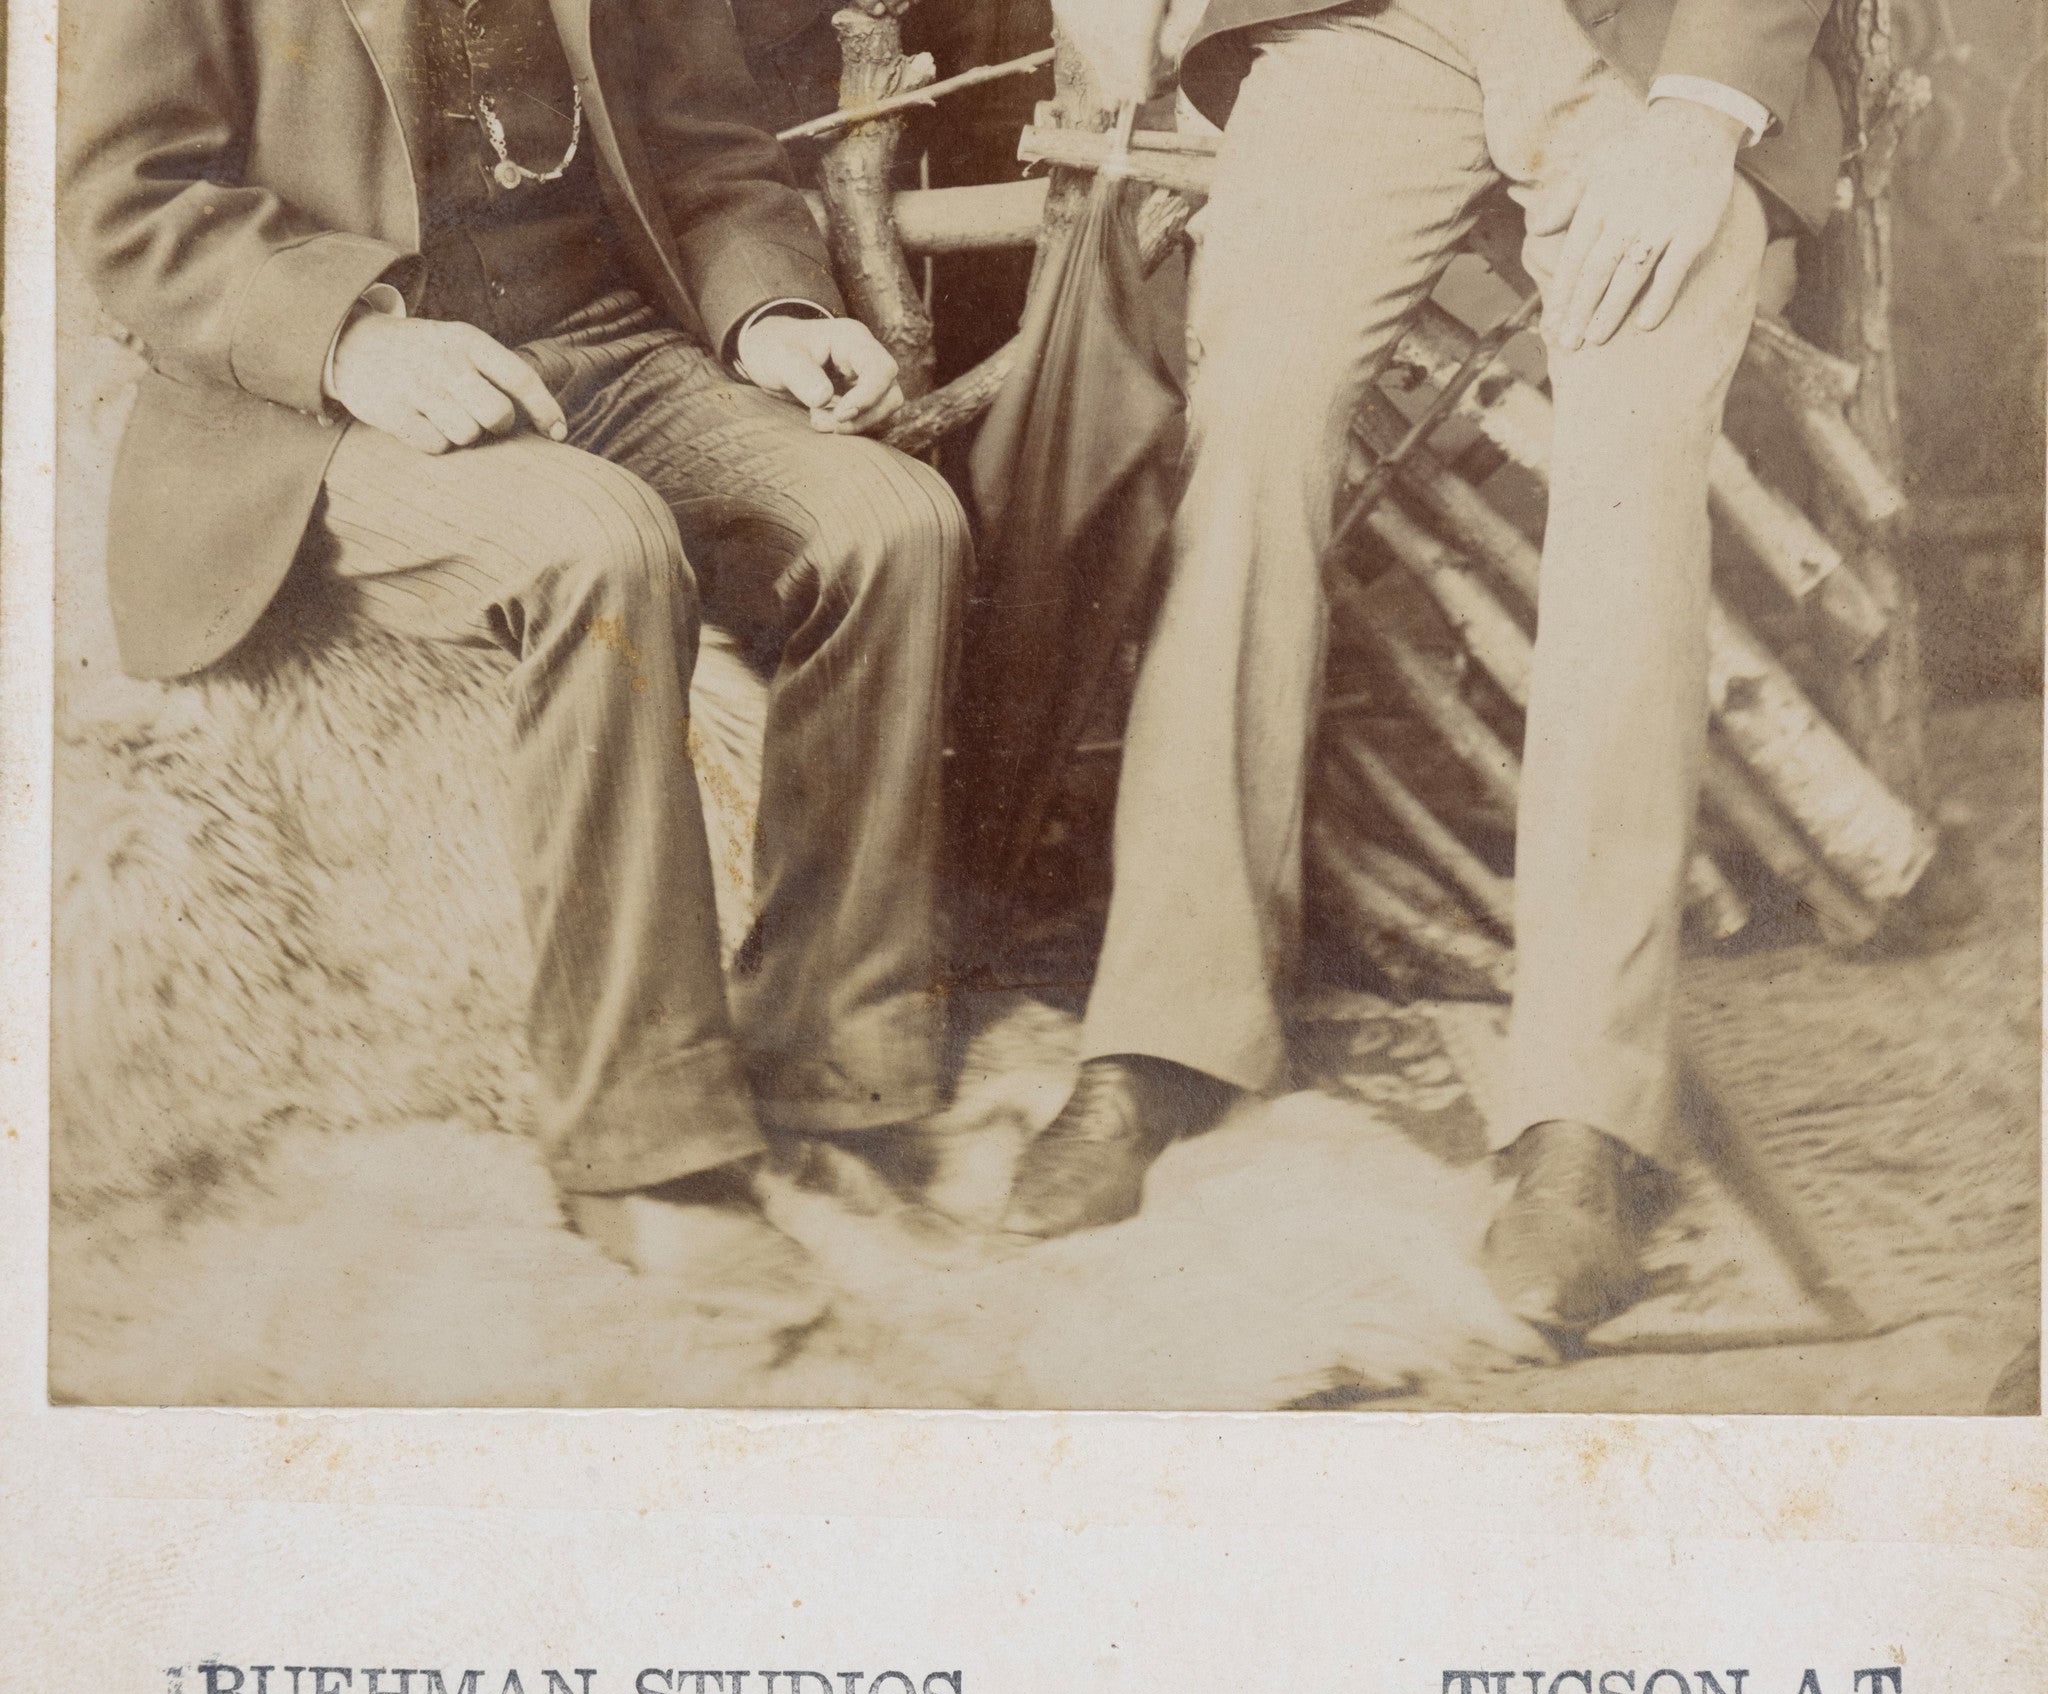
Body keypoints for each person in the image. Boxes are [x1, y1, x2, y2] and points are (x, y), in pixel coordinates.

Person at [62, 0, 973, 1339]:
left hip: (610, 346)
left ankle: (829, 1073)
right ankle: (639, 1143)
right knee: (595, 547)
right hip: (325, 399)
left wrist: (770, 310)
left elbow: (712, 158)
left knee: (898, 526)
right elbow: (132, 206)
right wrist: (354, 340)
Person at [1006, 0, 1842, 1336]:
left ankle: (1588, 1109)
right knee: (1254, 414)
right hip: (1376, 24)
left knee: (1627, 462)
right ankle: (1169, 1021)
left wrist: (1704, 113)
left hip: (1656, 45)